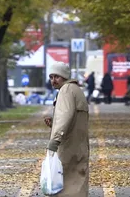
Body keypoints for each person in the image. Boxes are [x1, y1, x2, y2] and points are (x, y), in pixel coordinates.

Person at [44, 63, 89, 197]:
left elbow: (65, 116)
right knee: (78, 182)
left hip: (66, 146)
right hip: (80, 146)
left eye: (56, 76)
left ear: (64, 76)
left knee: (64, 184)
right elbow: (71, 117)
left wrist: (55, 139)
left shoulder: (66, 90)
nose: (53, 80)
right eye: (51, 77)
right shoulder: (76, 90)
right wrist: (55, 122)